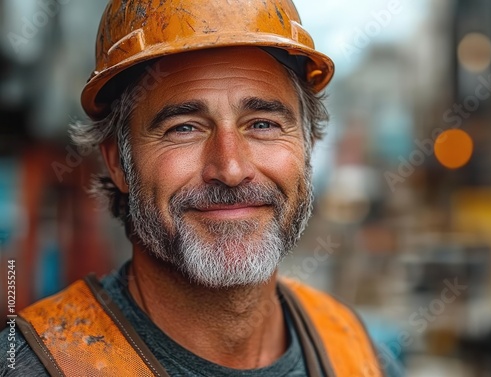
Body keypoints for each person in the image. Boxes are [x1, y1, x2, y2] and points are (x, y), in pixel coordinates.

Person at [1, 0, 383, 375]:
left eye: (263, 124)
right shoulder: (36, 363)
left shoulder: (352, 349)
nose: (231, 169)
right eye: (184, 128)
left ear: (308, 146)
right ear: (118, 163)